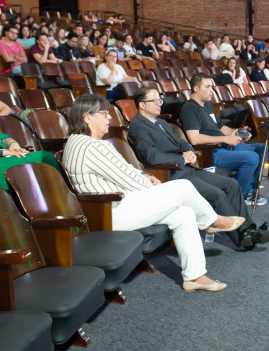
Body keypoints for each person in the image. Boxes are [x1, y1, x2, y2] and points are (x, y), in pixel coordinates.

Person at [64, 94, 241, 292]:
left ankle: (195, 276)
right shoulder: (90, 146)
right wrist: (153, 185)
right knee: (182, 187)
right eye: (104, 114)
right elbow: (129, 180)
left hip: (115, 206)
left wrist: (146, 176)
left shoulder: (80, 142)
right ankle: (211, 220)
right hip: (112, 212)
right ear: (87, 117)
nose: (110, 118)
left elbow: (125, 171)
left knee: (184, 214)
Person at [128, 87, 269, 248]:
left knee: (232, 184)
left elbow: (181, 142)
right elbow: (151, 157)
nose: (160, 104)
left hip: (187, 169)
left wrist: (190, 152)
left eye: (160, 100)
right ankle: (242, 236)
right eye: (155, 100)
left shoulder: (161, 122)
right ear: (142, 105)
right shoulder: (138, 126)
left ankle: (249, 229)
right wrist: (182, 159)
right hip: (171, 174)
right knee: (217, 194)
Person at [179, 74, 267, 201]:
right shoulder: (189, 109)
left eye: (212, 87)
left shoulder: (207, 105)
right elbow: (194, 138)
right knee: (252, 157)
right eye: (208, 87)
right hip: (210, 152)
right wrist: (225, 139)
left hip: (224, 146)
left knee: (263, 149)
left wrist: (237, 132)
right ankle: (241, 196)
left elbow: (221, 127)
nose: (212, 90)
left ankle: (251, 189)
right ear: (196, 89)